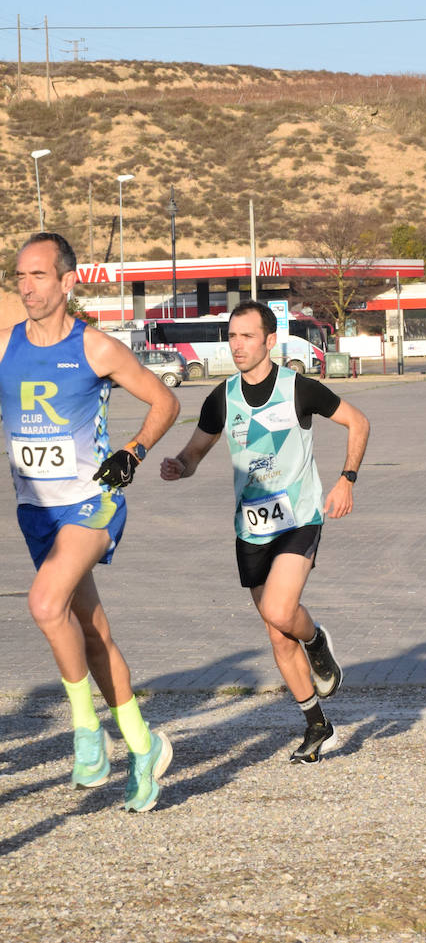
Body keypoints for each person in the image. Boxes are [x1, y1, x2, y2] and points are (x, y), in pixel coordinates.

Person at [1, 232, 180, 811]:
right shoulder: (5, 346)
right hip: (38, 511)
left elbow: (165, 402)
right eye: (20, 277)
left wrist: (133, 451)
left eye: (38, 276)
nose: (27, 286)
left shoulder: (96, 347)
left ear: (67, 281)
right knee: (93, 632)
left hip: (92, 502)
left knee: (45, 604)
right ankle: (143, 744)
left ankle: (87, 733)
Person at [162, 300, 370, 764]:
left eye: (247, 336)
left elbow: (359, 422)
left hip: (298, 519)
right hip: (251, 528)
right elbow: (196, 451)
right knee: (277, 634)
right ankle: (319, 725)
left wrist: (346, 479)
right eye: (232, 337)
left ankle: (316, 641)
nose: (237, 345)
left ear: (269, 341)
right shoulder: (222, 398)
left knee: (281, 610)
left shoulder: (300, 388)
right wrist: (180, 465)